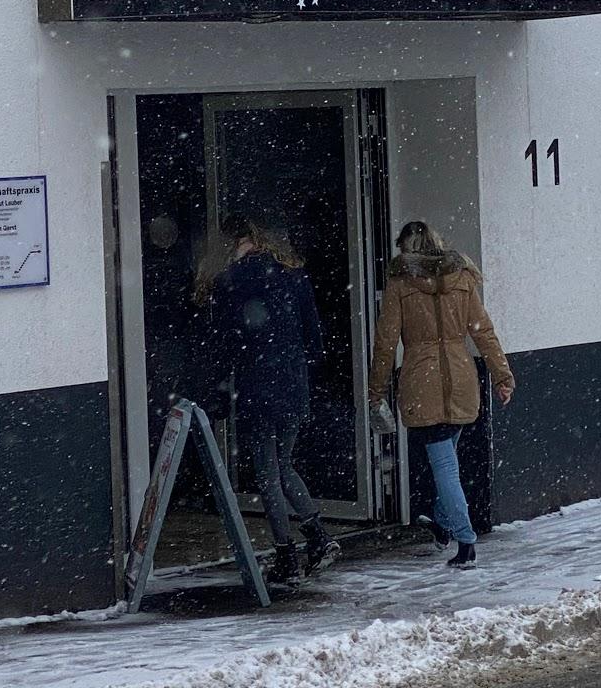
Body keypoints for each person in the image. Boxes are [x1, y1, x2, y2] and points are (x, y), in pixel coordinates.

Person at [196, 214, 340, 584]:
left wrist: (219, 393)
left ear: (232, 244)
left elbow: (224, 345)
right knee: (284, 464)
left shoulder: (231, 283)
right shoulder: (293, 276)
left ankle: (288, 555)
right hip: (292, 384)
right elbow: (315, 342)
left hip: (257, 387)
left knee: (267, 475)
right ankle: (317, 537)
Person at [368, 221, 515, 570]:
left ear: (406, 248)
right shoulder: (462, 279)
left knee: (445, 467)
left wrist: (375, 390)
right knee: (448, 462)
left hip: (423, 381)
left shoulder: (400, 284)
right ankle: (443, 524)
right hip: (461, 378)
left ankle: (465, 541)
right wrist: (502, 375)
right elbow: (484, 333)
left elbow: (386, 343)